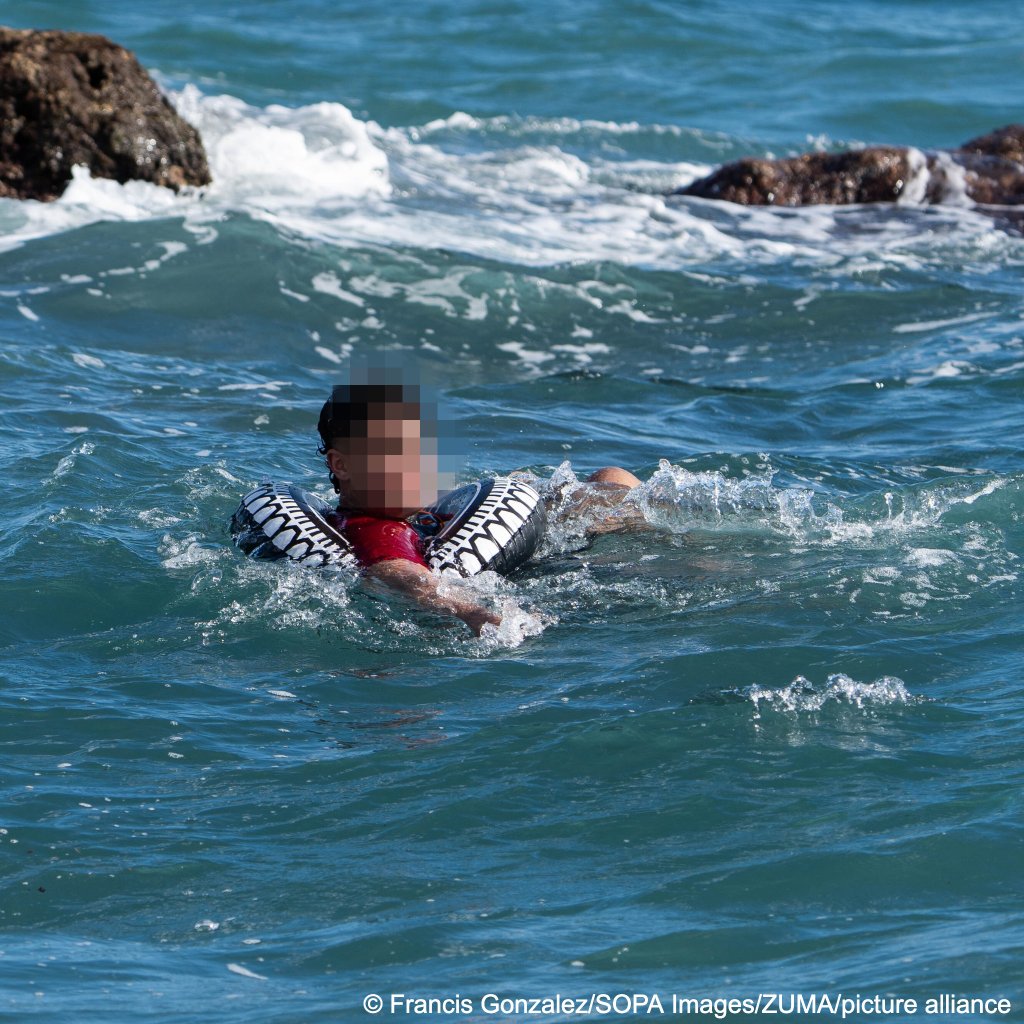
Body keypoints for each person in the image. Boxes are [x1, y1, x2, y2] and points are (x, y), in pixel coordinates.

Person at [317, 382, 641, 635]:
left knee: (610, 477)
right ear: (341, 464)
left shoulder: (399, 512)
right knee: (619, 497)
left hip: (526, 552)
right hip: (542, 579)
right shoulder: (374, 530)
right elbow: (398, 574)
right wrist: (476, 616)